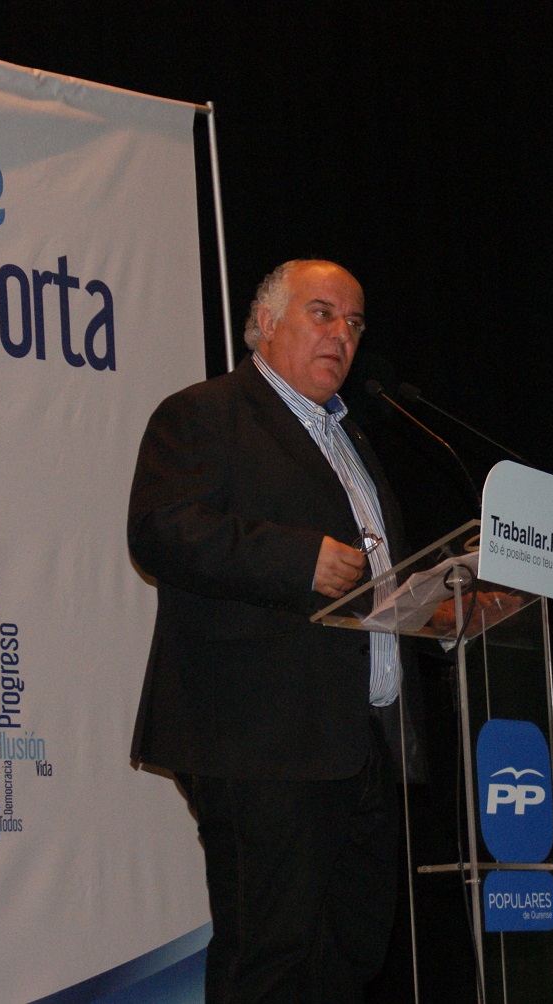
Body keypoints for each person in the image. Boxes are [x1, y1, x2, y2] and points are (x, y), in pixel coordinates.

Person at [127, 259, 418, 1002]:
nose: (342, 335)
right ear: (264, 323)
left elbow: (376, 579)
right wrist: (296, 559)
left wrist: (437, 607)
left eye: (354, 323)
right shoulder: (205, 414)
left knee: (349, 955)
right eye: (323, 313)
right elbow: (162, 529)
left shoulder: (347, 439)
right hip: (259, 735)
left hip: (360, 741)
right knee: (270, 957)